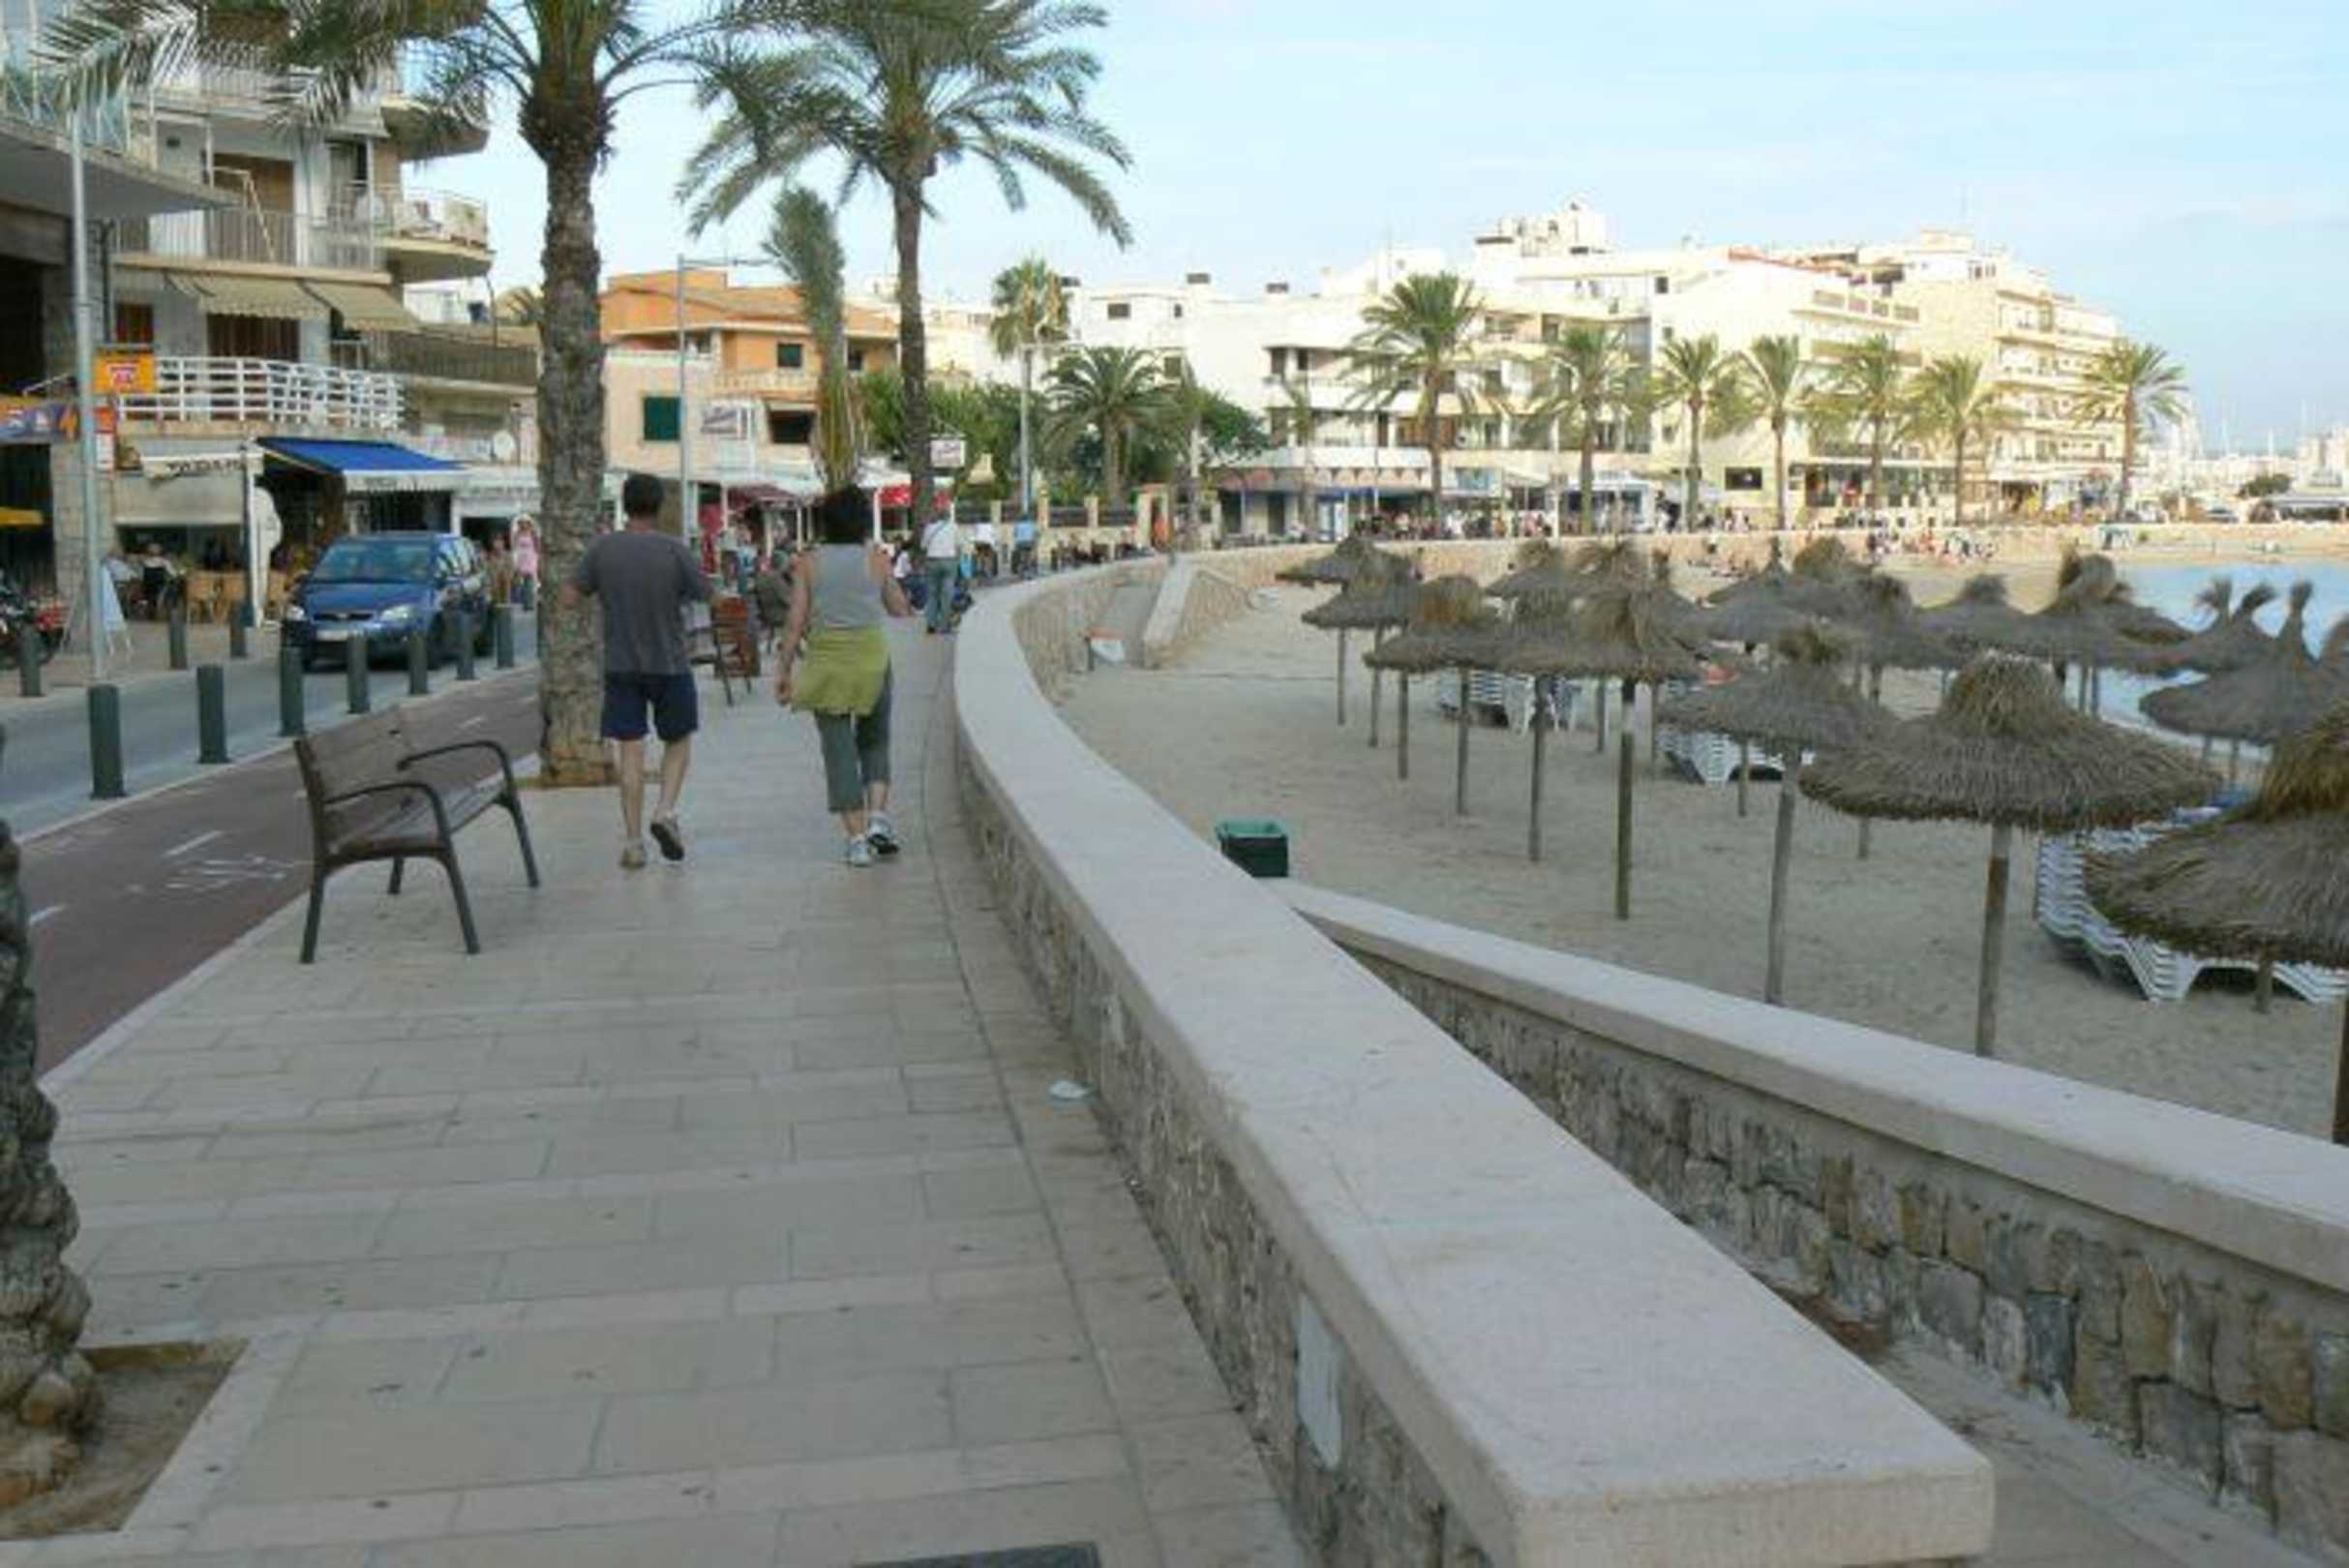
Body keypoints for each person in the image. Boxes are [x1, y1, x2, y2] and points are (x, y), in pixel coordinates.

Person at [564, 472, 711, 870]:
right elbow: (706, 593)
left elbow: (569, 597)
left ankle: (632, 843)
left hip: (621, 664)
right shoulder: (674, 550)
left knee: (630, 751)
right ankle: (664, 811)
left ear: (625, 505)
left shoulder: (602, 549)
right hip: (670, 663)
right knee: (678, 740)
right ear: (658, 506)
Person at [774, 486, 913, 866]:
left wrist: (784, 670)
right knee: (875, 741)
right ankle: (878, 819)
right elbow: (899, 608)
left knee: (838, 751)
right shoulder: (877, 559)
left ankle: (856, 840)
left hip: (827, 665)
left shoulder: (808, 563)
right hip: (872, 661)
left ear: (826, 522)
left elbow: (795, 622)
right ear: (863, 522)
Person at [919, 508, 964, 635]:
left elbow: (923, 547)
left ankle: (931, 625)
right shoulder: (954, 527)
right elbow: (959, 546)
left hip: (932, 561)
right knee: (946, 595)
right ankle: (944, 626)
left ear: (938, 517)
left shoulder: (929, 528)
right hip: (949, 562)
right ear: (948, 517)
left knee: (932, 594)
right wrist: (957, 562)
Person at [510, 517, 540, 605]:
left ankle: (529, 602)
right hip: (520, 557)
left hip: (530, 557)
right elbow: (514, 546)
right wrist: (514, 558)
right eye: (522, 522)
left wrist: (537, 556)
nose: (524, 524)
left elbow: (537, 546)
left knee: (529, 580)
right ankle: (520, 600)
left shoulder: (533, 533)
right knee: (519, 580)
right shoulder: (517, 533)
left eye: (525, 522)